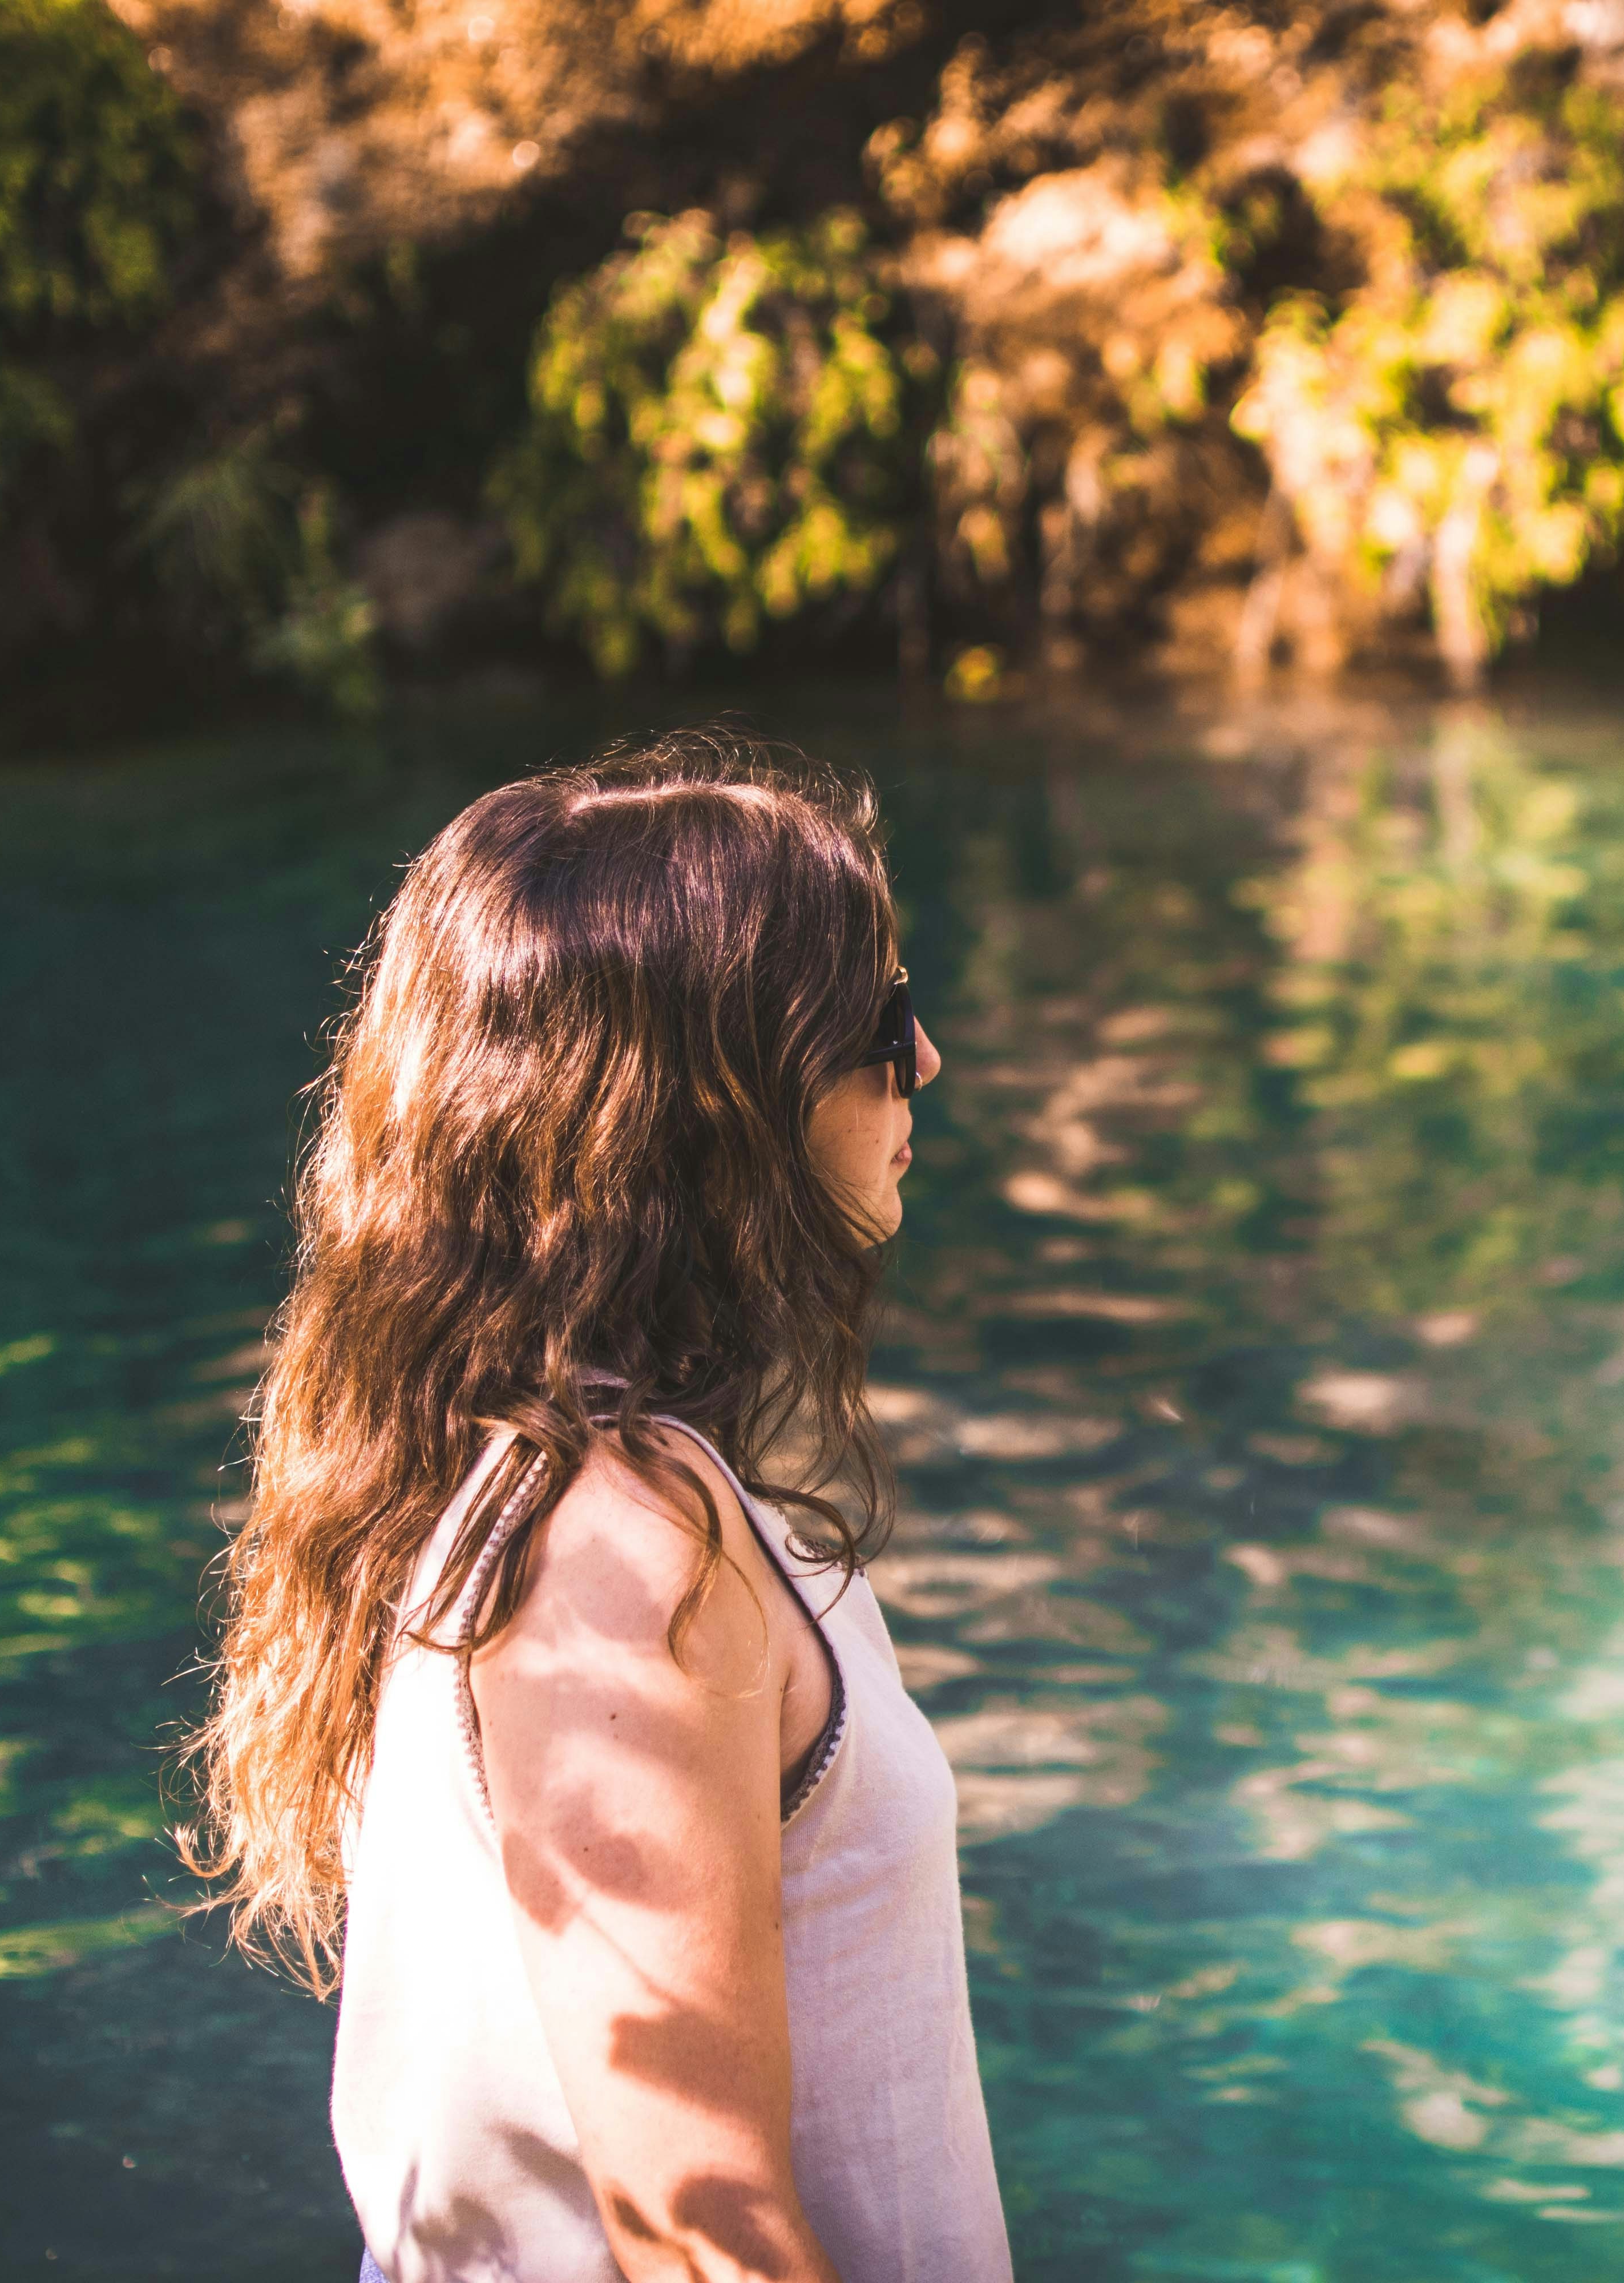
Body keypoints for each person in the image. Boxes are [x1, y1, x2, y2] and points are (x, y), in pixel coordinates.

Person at [185, 728, 1011, 2283]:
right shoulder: (615, 1559)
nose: (928, 1062)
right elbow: (703, 2243)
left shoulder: (574, 1497)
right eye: (880, 1022)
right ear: (713, 1100)